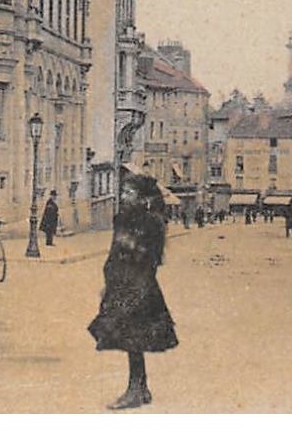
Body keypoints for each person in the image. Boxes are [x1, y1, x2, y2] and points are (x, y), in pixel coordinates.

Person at [88, 172, 178, 410]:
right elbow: (113, 253)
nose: (124, 196)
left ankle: (135, 389)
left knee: (133, 338)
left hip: (140, 286)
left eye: (129, 192)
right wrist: (109, 283)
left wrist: (137, 280)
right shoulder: (123, 219)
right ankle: (141, 387)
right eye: (124, 192)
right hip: (122, 284)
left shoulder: (151, 222)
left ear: (141, 197)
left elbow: (153, 258)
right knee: (131, 338)